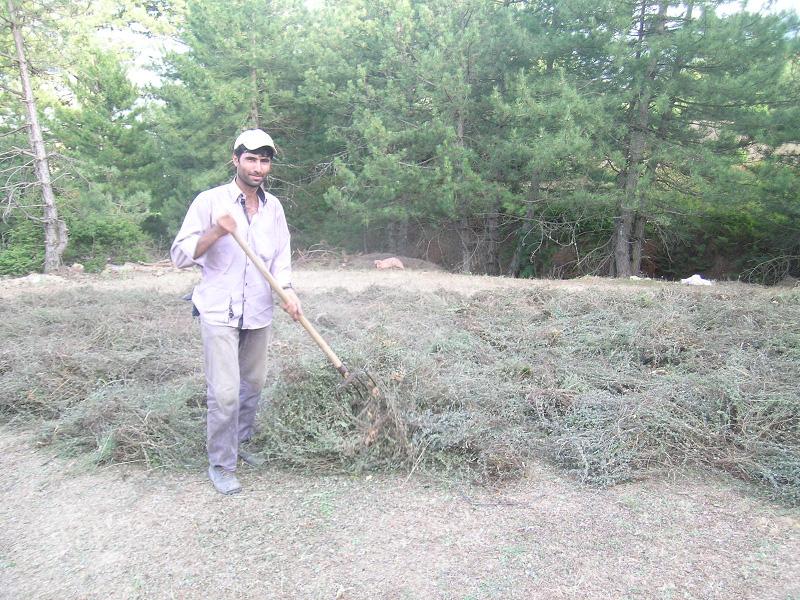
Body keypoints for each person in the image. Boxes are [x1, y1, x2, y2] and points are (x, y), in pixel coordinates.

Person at [171, 129, 302, 495]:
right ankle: (221, 463)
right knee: (225, 392)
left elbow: (281, 258)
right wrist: (215, 231)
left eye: (265, 160)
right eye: (251, 159)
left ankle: (239, 444)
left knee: (252, 386)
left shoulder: (273, 207)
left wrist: (287, 291)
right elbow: (180, 256)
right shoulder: (210, 202)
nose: (258, 167)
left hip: (258, 310)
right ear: (235, 159)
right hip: (218, 310)